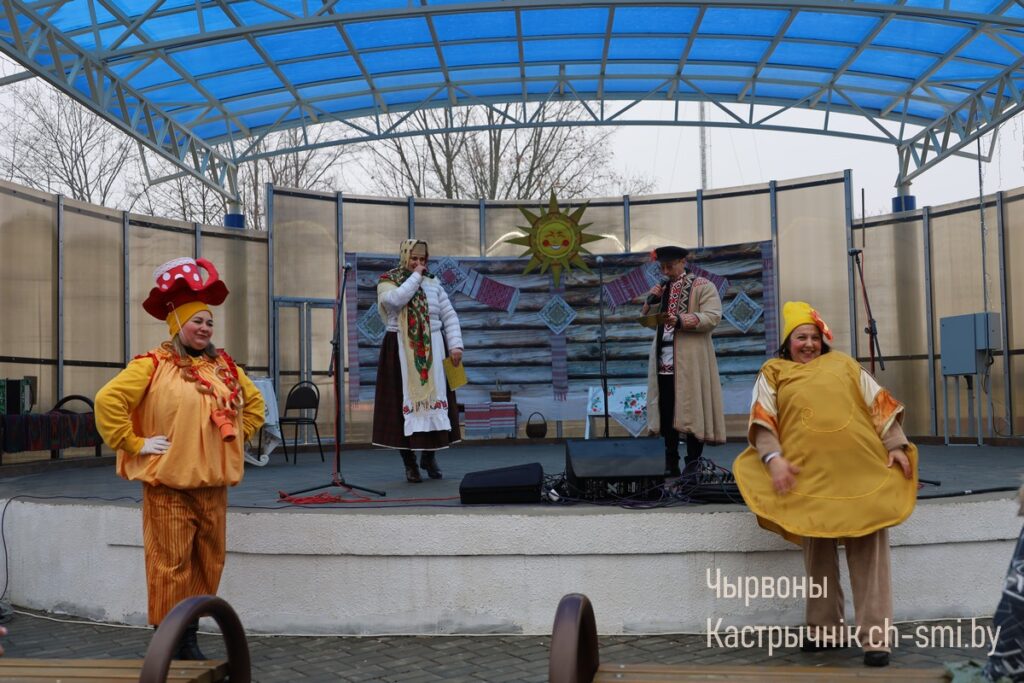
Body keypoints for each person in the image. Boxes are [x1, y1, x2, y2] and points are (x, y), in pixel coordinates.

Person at [94, 257, 264, 660]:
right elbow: (108, 400)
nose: (204, 328)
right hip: (168, 486)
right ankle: (173, 643)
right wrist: (134, 442)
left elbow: (255, 404)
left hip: (213, 486)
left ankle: (188, 637)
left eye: (209, 322)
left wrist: (235, 435)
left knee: (208, 564)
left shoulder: (224, 366)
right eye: (196, 321)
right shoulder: (152, 364)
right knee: (170, 565)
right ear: (177, 324)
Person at [733, 301, 917, 668]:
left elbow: (878, 403)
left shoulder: (844, 364)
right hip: (810, 479)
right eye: (801, 337)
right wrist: (773, 459)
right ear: (787, 343)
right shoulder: (773, 372)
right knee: (817, 555)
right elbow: (763, 419)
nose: (809, 344)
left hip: (861, 473)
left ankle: (876, 639)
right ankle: (824, 630)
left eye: (814, 337)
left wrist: (895, 445)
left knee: (870, 554)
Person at [372, 239, 464, 482]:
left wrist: (455, 345)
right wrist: (415, 277)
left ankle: (429, 456)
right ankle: (409, 462)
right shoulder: (389, 280)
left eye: (422, 259)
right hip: (401, 349)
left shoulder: (433, 283)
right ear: (405, 257)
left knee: (433, 401)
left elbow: (449, 315)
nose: (418, 263)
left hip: (433, 348)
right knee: (403, 405)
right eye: (414, 258)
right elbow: (394, 301)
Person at [642, 245, 726, 478]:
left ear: (682, 262)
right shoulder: (662, 289)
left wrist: (680, 320)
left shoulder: (703, 286)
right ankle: (670, 461)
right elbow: (650, 321)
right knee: (666, 411)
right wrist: (652, 301)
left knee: (692, 410)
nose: (665, 271)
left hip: (690, 361)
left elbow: (713, 316)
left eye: (669, 266)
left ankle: (693, 463)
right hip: (663, 361)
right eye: (662, 267)